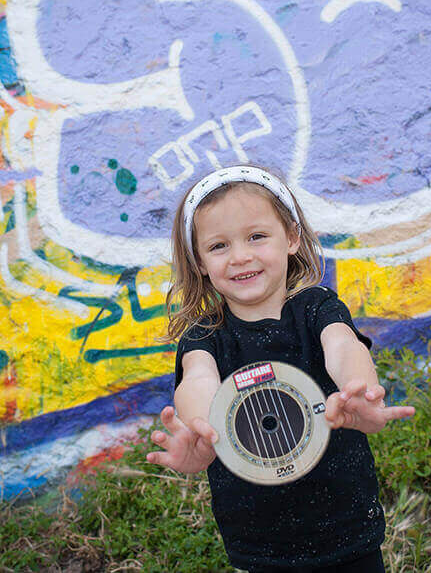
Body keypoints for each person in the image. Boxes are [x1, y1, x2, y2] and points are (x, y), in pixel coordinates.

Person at [146, 165, 414, 573]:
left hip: (348, 528)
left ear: (291, 237)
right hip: (259, 546)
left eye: (256, 236)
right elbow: (198, 378)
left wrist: (360, 388)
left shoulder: (317, 308)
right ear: (199, 261)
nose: (240, 256)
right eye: (218, 246)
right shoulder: (206, 335)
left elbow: (341, 344)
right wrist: (201, 428)